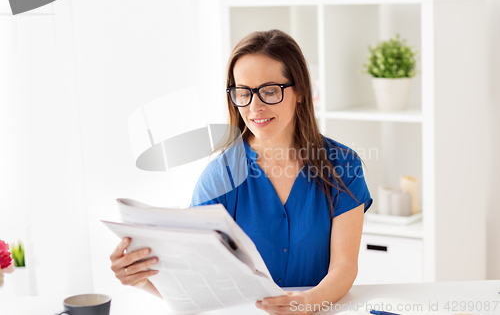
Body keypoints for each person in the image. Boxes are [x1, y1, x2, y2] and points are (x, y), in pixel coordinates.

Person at [110, 29, 372, 315]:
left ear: (300, 91)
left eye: (270, 91)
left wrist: (307, 303)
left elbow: (344, 266)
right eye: (243, 93)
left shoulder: (343, 165)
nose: (254, 107)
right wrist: (142, 280)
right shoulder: (220, 177)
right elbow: (198, 283)